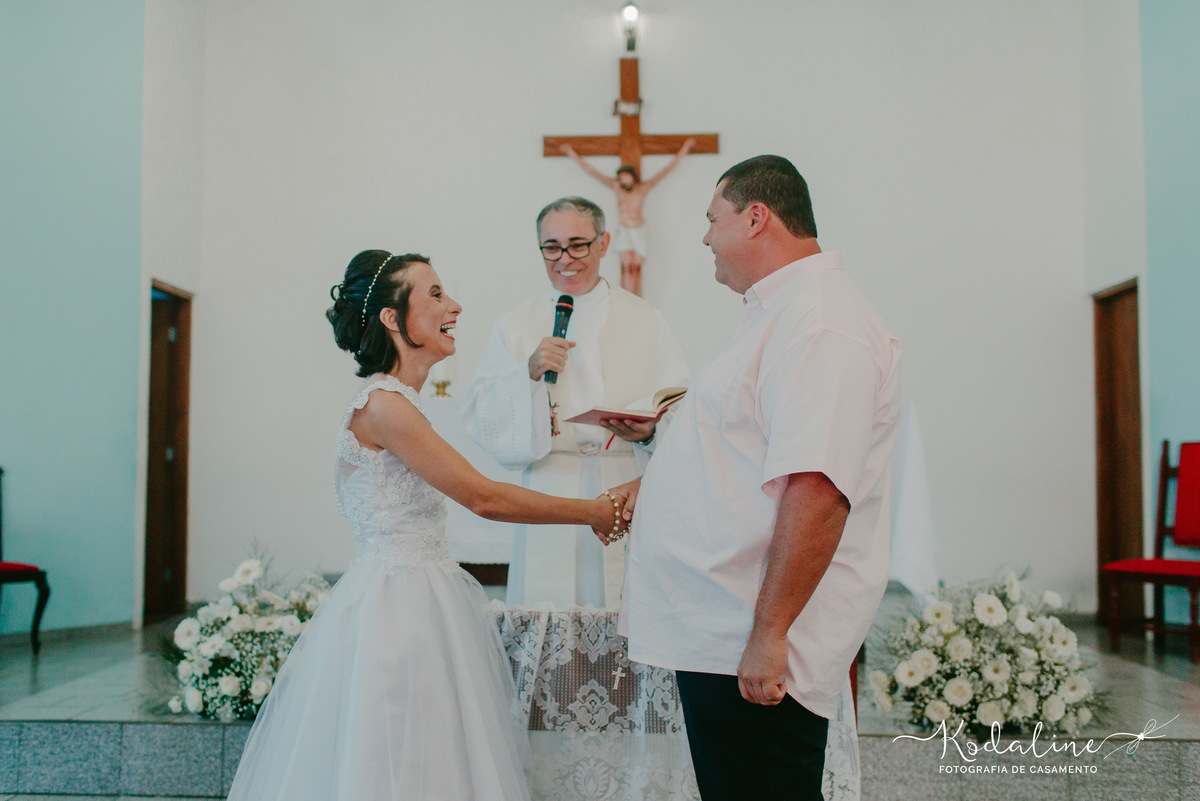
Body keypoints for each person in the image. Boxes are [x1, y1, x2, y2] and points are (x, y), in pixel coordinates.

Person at [226, 250, 628, 801]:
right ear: (392, 318)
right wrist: (593, 512)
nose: (454, 306)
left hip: (420, 596)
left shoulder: (398, 403)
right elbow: (482, 498)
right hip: (398, 613)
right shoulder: (385, 406)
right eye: (435, 295)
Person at [613, 156, 902, 801]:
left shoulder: (821, 322)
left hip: (753, 630)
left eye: (712, 219)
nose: (705, 237)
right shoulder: (780, 310)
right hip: (723, 623)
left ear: (755, 218)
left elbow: (818, 489)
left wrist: (770, 635)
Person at [462, 197, 689, 608]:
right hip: (549, 487)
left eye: (577, 245)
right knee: (551, 618)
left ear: (603, 244)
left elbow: (683, 408)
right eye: (551, 247)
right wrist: (527, 373)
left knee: (621, 610)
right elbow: (481, 415)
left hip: (624, 482)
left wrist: (649, 432)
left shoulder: (646, 319)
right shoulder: (514, 325)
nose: (564, 259)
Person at [560, 138, 695, 295]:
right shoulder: (617, 188)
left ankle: (638, 300)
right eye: (621, 177)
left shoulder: (642, 189)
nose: (623, 180)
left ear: (632, 176)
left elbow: (666, 170)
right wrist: (570, 152)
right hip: (624, 231)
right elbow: (591, 171)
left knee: (637, 269)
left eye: (626, 176)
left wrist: (685, 148)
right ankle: (626, 298)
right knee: (627, 268)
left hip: (639, 230)